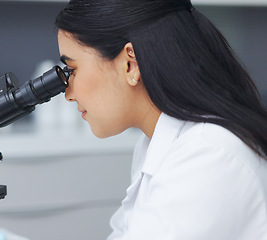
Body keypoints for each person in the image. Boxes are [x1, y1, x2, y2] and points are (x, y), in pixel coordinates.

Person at [55, 0, 267, 239]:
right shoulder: (155, 143)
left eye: (72, 70)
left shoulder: (209, 156)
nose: (68, 94)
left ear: (130, 63)